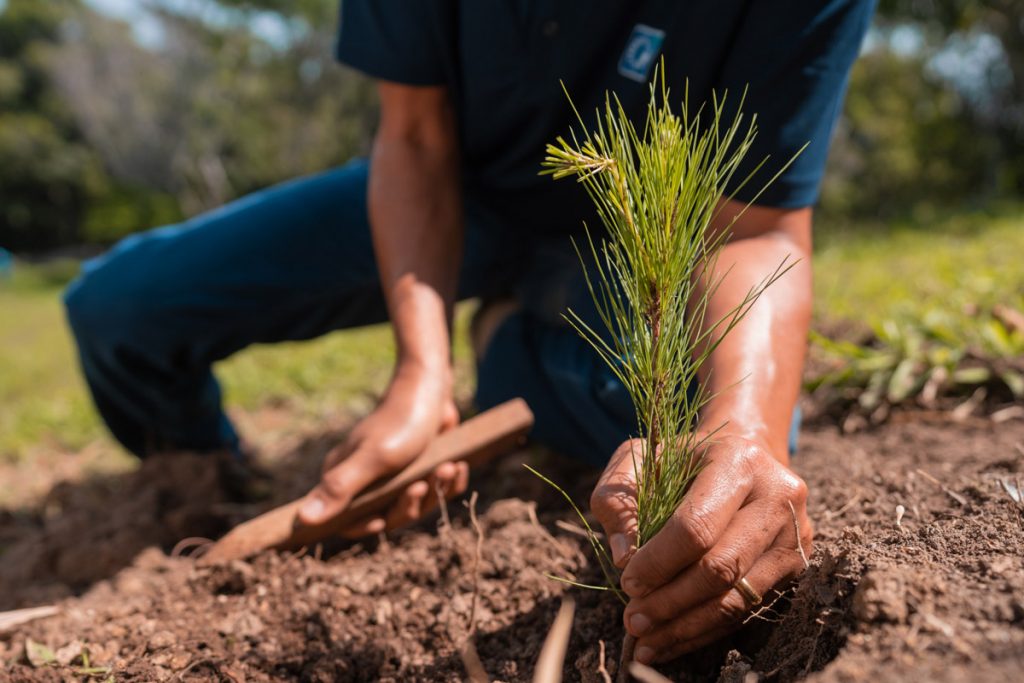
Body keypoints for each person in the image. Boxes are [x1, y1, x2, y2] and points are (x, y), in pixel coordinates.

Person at [63, 0, 875, 665]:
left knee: (704, 460)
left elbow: (754, 227)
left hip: (643, 247)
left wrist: (742, 425)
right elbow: (412, 134)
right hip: (454, 188)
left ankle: (506, 349)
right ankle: (206, 484)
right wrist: (421, 370)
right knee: (120, 310)